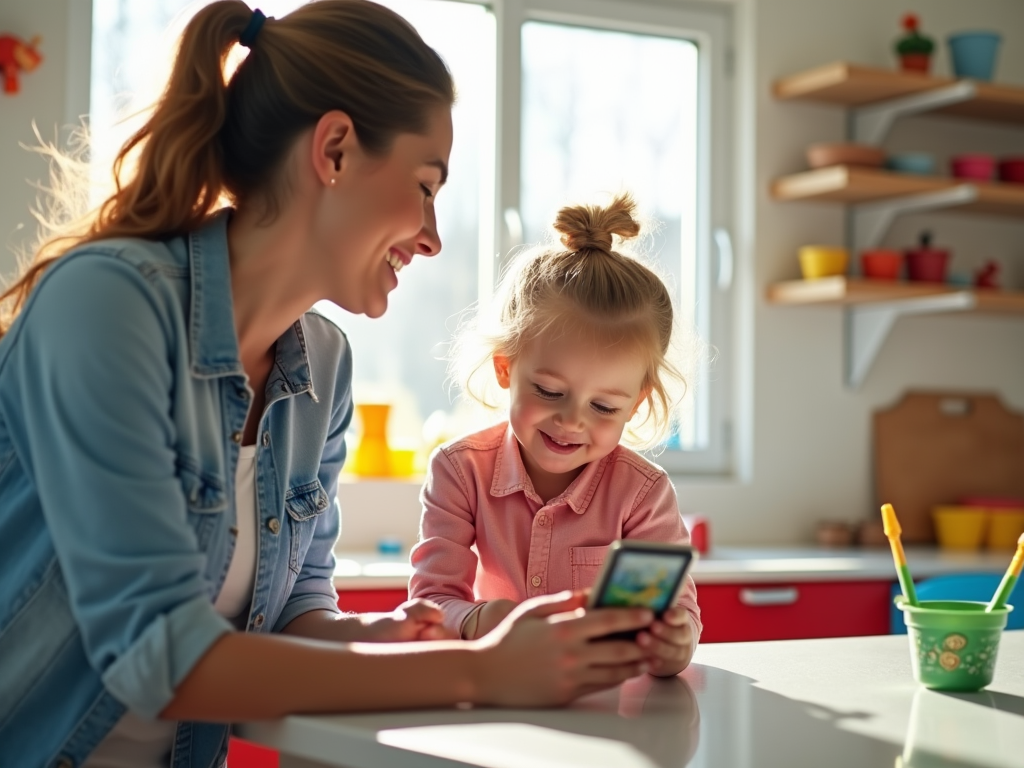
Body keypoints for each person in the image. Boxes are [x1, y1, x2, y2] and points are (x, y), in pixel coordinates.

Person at [0, 3, 656, 767]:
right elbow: (159, 655)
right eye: (424, 184)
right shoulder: (109, 304)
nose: (433, 235)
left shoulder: (323, 364)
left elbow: (294, 610)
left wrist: (391, 639)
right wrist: (478, 670)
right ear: (336, 150)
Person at [410, 194, 702, 676]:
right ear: (506, 368)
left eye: (604, 406)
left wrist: (673, 645)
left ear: (638, 402)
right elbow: (430, 605)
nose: (571, 422)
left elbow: (676, 619)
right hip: (493, 700)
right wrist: (484, 619)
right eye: (548, 391)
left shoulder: (643, 495)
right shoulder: (460, 472)